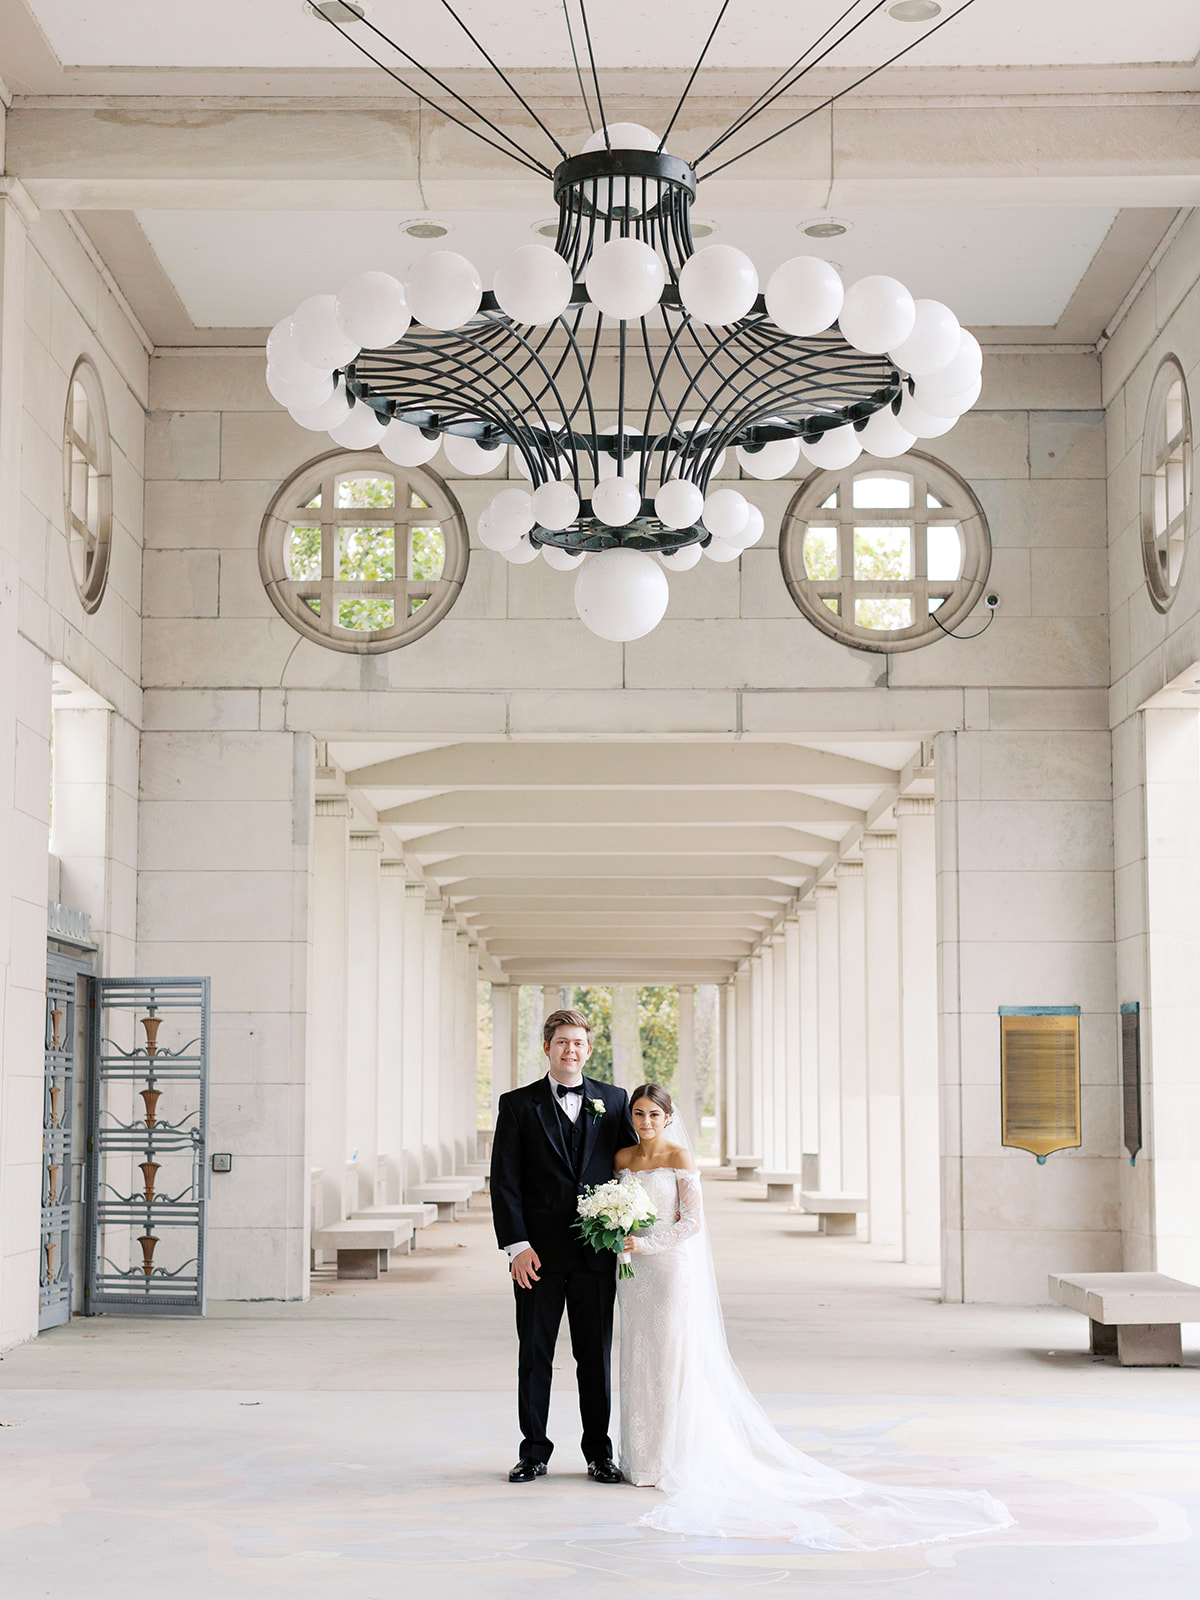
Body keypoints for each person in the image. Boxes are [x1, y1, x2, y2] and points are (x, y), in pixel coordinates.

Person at [614, 1083, 1014, 1549]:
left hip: (668, 1268)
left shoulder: (682, 1158)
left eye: (653, 1115)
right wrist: (621, 1236)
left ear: (667, 1117)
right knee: (636, 1356)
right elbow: (617, 1209)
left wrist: (647, 1242)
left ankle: (671, 1458)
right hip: (631, 1273)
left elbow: (692, 1223)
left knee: (670, 1357)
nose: (645, 1122)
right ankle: (638, 1459)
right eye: (638, 1114)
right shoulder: (623, 1160)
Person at [489, 1008, 637, 1485]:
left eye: (578, 1043)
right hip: (538, 1257)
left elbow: (632, 1170)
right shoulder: (517, 1105)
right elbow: (505, 1183)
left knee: (594, 1357)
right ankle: (533, 1453)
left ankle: (599, 1453)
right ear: (547, 1048)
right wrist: (517, 1247)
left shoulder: (614, 1101)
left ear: (588, 1050)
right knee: (535, 1355)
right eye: (561, 1043)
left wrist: (634, 1225)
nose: (570, 1050)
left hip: (596, 1256)